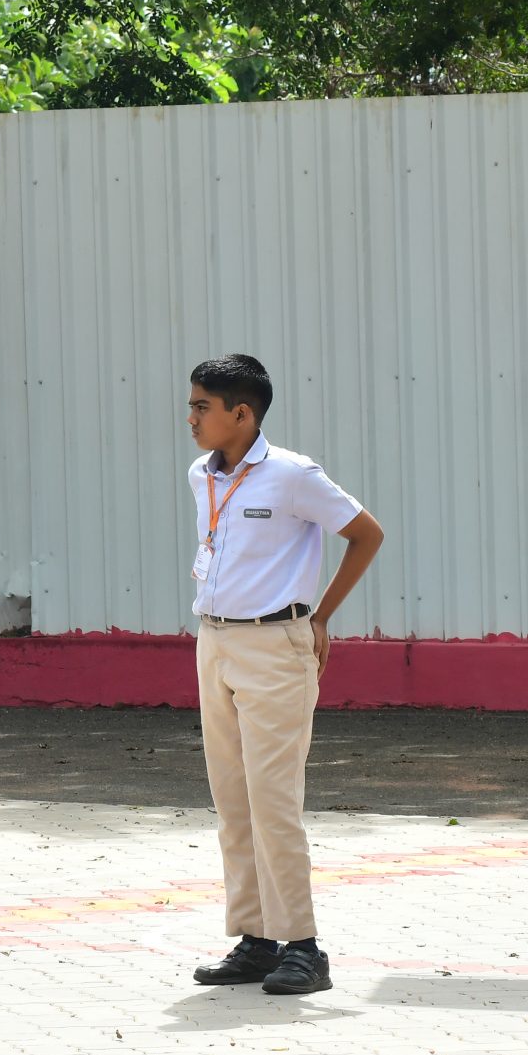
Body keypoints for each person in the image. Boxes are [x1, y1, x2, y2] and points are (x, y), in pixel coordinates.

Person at [181, 355, 384, 996]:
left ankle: (304, 947)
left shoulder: (293, 475)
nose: (190, 419)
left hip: (277, 645)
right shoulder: (200, 475)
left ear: (241, 414)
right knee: (233, 801)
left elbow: (367, 534)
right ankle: (256, 940)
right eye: (190, 405)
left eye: (201, 407)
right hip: (214, 641)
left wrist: (321, 616)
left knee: (273, 802)